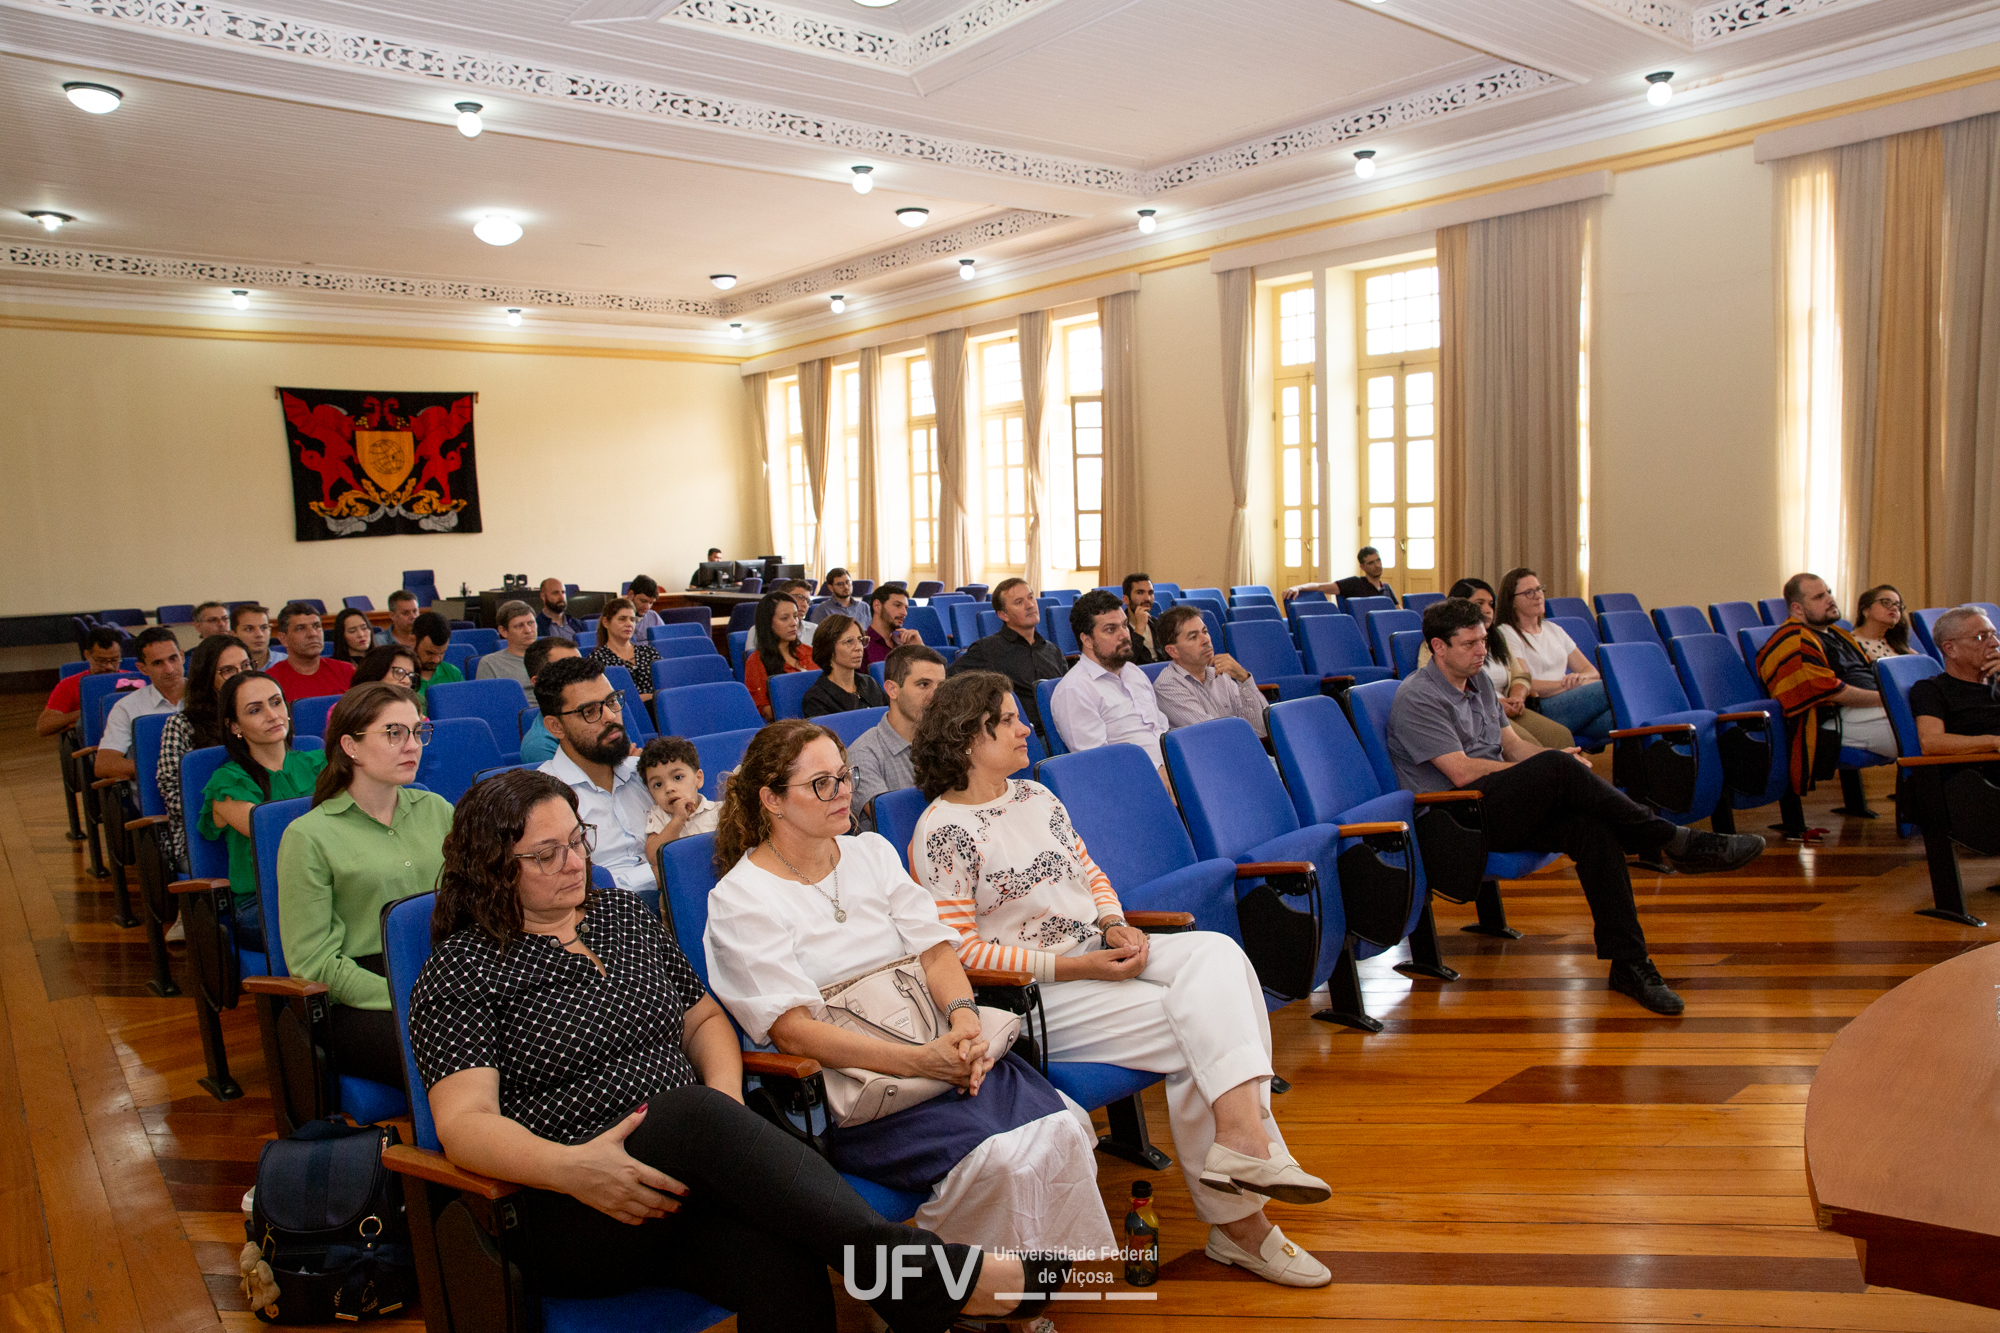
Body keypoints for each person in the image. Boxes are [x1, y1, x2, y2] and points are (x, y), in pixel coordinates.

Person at [408, 769, 1053, 1333]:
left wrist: (722, 1117)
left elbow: (703, 1018)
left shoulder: (620, 918)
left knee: (784, 1260)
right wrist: (574, 1168)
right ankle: (916, 1273)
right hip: (575, 1203)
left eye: (578, 841)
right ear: (493, 867)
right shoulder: (463, 968)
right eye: (544, 855)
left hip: (689, 1177)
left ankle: (908, 1279)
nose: (574, 862)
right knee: (688, 1112)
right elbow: (463, 1125)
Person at [910, 673, 1335, 1289]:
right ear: (970, 738)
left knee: (1218, 954)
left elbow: (1089, 870)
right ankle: (1243, 1226)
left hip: (1097, 954)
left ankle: (1241, 1142)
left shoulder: (1035, 798)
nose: (1026, 726)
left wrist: (1112, 924)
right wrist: (1077, 965)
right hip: (1040, 995)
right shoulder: (942, 832)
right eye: (1009, 719)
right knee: (1201, 1026)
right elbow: (961, 953)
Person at [700, 721, 1114, 1266]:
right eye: (821, 783)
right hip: (862, 1085)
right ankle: (970, 1298)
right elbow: (792, 1029)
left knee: (1063, 1127)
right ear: (772, 799)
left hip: (938, 1041)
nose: (843, 791)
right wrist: (919, 1061)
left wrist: (965, 1020)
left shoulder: (869, 851)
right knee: (1002, 1160)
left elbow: (936, 951)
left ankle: (1020, 1295)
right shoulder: (741, 898)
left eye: (844, 776)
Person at [1387, 598, 1765, 1015]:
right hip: (1456, 818)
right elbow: (1459, 772)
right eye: (1470, 643)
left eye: (1483, 640)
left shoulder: (1477, 685)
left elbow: (1511, 745)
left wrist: (1558, 763)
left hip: (1496, 801)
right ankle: (1674, 840)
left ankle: (1629, 964)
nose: (1482, 650)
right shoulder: (1417, 697)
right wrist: (1550, 767)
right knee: (1553, 763)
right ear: (1438, 647)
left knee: (1591, 827)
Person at [277, 682, 453, 1089]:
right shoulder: (308, 836)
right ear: (350, 746)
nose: (412, 745)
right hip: (360, 994)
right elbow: (314, 963)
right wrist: (409, 994)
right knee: (458, 1053)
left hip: (441, 971)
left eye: (417, 731)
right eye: (394, 733)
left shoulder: (436, 809)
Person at [1754, 573, 1890, 837]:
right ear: (1797, 608)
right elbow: (1830, 692)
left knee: (1932, 720)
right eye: (1819, 596)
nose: (1830, 599)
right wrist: (1889, 699)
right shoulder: (1793, 640)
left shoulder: (1839, 634)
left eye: (1828, 592)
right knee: (1921, 731)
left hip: (1867, 710)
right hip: (1830, 721)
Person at [198, 671, 327, 945]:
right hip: (262, 901)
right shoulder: (228, 782)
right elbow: (277, 836)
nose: (272, 714)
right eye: (255, 710)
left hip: (327, 886)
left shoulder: (320, 763)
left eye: (276, 702)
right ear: (235, 727)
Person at [533, 657, 653, 891]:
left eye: (611, 701)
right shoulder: (543, 799)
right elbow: (570, 887)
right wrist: (660, 874)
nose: (610, 716)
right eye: (589, 711)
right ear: (556, 727)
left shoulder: (646, 772)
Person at [1435, 577, 1573, 751]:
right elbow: (1442, 686)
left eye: (1490, 604)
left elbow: (1520, 675)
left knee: (1560, 735)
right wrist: (1497, 704)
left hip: (1508, 707)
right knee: (1531, 748)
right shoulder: (1442, 641)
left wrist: (1517, 696)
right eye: (1479, 603)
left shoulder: (1496, 637)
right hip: (1477, 712)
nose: (1487, 610)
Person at [1048, 590, 1169, 774]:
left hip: (1171, 768)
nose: (1124, 635)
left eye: (1125, 625)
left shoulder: (1133, 672)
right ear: (1087, 640)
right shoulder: (1075, 690)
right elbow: (1099, 762)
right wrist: (1156, 771)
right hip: (1137, 781)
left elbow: (1161, 728)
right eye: (1111, 629)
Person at [159, 634, 250, 874]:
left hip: (256, 823)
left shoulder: (266, 721)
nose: (241, 676)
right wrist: (233, 812)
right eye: (228, 670)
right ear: (208, 678)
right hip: (207, 834)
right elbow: (176, 796)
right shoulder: (181, 725)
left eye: (246, 666)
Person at [1495, 567, 1612, 741]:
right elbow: (1526, 683)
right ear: (1511, 601)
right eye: (1528, 592)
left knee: (1623, 719)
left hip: (1573, 701)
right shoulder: (1506, 632)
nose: (1538, 595)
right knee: (1612, 687)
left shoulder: (1554, 629)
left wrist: (1579, 679)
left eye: (1539, 589)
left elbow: (1590, 670)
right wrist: (1567, 684)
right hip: (1543, 706)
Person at [948, 579, 1065, 740]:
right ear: (1003, 615)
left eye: (1031, 598)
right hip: (1023, 737)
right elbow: (950, 682)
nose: (1030, 605)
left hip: (1061, 730)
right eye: (1019, 602)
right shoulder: (987, 650)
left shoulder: (1053, 650)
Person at [850, 645, 946, 834]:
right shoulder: (863, 755)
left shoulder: (949, 741)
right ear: (892, 690)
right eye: (924, 684)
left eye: (941, 686)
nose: (936, 696)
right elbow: (895, 823)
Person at [1909, 606, 2000, 777]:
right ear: (1951, 649)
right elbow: (1931, 742)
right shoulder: (1933, 689)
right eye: (1981, 637)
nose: (1995, 643)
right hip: (1980, 777)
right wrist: (1994, 742)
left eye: (1995, 635)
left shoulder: (1997, 679)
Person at [1151, 605, 1268, 737]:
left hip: (1243, 749)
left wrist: (1243, 678)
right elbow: (1215, 736)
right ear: (1173, 651)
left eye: (1205, 632)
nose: (1206, 640)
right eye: (1193, 637)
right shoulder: (1167, 687)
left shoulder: (1221, 675)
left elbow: (1260, 730)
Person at [95, 626, 187, 784]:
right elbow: (105, 764)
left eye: (173, 658)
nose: (169, 669)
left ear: (182, 656)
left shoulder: (209, 695)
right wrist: (168, 768)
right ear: (142, 668)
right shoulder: (127, 708)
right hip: (155, 789)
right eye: (158, 663)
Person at [640, 735, 723, 875]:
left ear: (698, 778)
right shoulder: (660, 816)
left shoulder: (719, 810)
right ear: (650, 793)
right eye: (658, 784)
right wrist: (678, 820)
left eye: (677, 777)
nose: (669, 788)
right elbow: (654, 857)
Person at [37, 626, 126, 737]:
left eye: (114, 660)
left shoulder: (133, 680)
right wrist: (85, 713)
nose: (109, 666)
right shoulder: (70, 684)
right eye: (101, 661)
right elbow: (43, 726)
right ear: (87, 655)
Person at [266, 601, 356, 703]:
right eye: (301, 628)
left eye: (316, 626)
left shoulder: (346, 671)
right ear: (284, 639)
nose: (312, 634)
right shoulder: (271, 681)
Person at [801, 614, 888, 718]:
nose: (859, 648)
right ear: (829, 649)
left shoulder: (870, 683)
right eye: (849, 641)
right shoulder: (816, 699)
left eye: (860, 640)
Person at [745, 591, 815, 720]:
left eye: (795, 616)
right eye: (784, 618)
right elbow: (767, 712)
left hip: (820, 718)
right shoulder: (756, 661)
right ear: (768, 623)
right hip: (789, 727)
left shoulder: (809, 651)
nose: (794, 623)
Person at [519, 638, 581, 767]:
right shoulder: (540, 744)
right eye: (566, 670)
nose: (582, 677)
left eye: (581, 666)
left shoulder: (606, 713)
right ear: (538, 683)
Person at [590, 597, 661, 701]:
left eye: (632, 620)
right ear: (606, 622)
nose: (629, 624)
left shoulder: (649, 652)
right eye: (622, 619)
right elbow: (600, 698)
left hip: (656, 709)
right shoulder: (597, 659)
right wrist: (640, 699)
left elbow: (665, 686)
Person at [1284, 547, 1400, 605]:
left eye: (1378, 561)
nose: (1377, 566)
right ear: (1362, 567)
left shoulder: (1386, 588)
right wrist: (1298, 588)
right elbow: (1320, 586)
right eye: (1371, 563)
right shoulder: (1354, 584)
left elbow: (1399, 613)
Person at [475, 600, 538, 685]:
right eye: (519, 625)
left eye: (531, 623)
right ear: (503, 631)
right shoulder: (490, 663)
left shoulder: (553, 656)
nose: (528, 630)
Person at [1851, 585, 1918, 661]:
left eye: (1898, 605)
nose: (1894, 608)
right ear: (1866, 610)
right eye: (1886, 603)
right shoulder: (1851, 643)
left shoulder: (1895, 644)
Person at [747, 581, 818, 651]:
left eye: (808, 601)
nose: (805, 604)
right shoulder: (756, 631)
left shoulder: (815, 630)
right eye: (799, 597)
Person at [862, 583, 923, 665]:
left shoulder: (903, 642)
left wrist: (920, 647)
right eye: (897, 605)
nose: (904, 613)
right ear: (877, 606)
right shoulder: (862, 644)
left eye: (906, 608)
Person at [411, 611, 463, 698]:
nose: (436, 659)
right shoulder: (400, 677)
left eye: (442, 653)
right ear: (413, 641)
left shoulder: (453, 673)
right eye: (429, 653)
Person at [1121, 574, 1159, 666]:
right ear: (1126, 599)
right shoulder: (1119, 628)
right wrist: (1139, 628)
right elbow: (1125, 663)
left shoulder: (1158, 624)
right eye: (1140, 592)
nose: (1147, 598)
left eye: (1150, 593)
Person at [352, 644, 419, 691]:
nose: (407, 681)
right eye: (399, 672)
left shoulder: (412, 708)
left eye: (411, 676)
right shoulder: (355, 708)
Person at [232, 603, 273, 670]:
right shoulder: (228, 666)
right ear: (233, 635)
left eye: (264, 628)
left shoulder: (289, 662)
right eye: (249, 629)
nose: (259, 634)